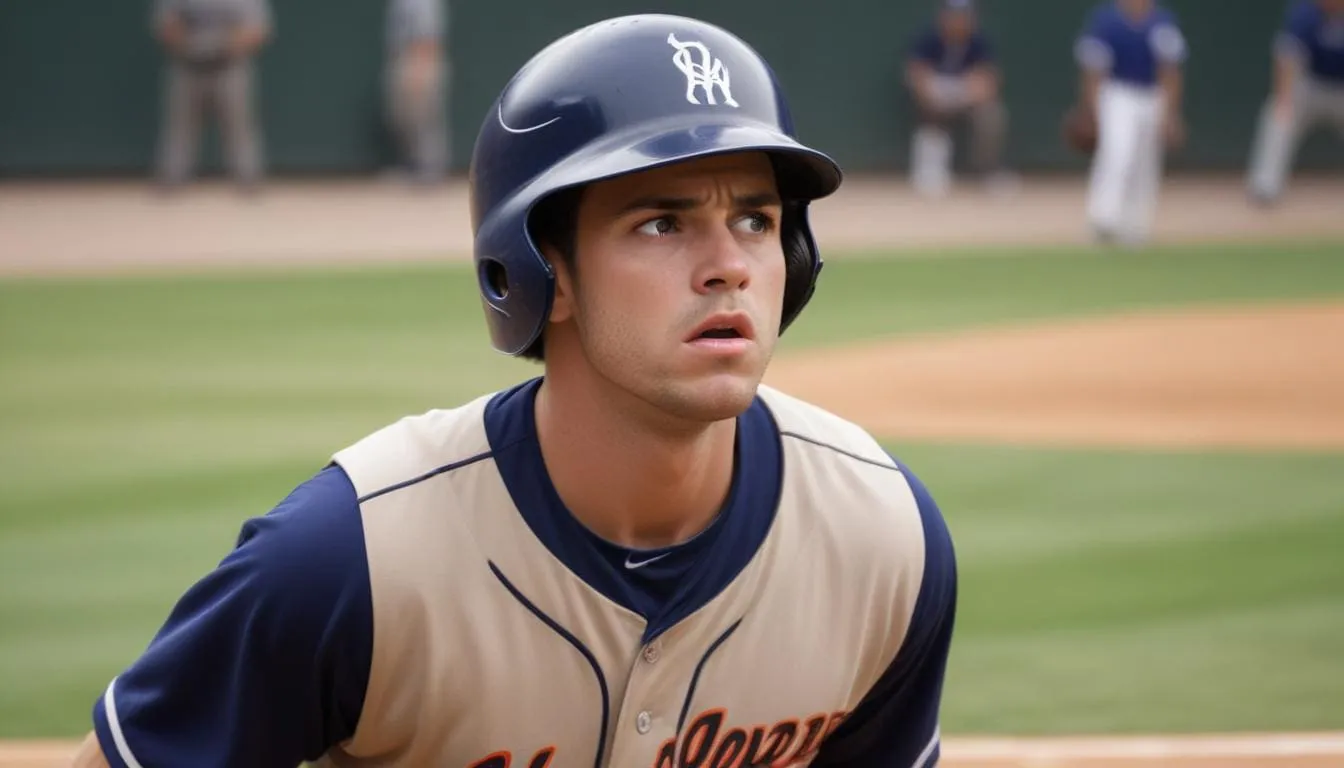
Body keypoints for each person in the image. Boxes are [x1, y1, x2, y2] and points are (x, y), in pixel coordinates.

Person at [68, 13, 957, 768]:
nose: (729, 266)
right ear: (543, 274)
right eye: (662, 222)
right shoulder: (352, 559)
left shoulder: (884, 540)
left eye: (756, 221)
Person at [1073, 0, 1188, 246]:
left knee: (1146, 161)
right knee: (1117, 151)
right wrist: (1090, 111)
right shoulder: (1106, 20)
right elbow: (1093, 69)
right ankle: (1103, 217)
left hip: (1152, 95)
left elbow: (1171, 71)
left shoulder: (1161, 21)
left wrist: (1171, 113)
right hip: (1117, 93)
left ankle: (1136, 225)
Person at [151, 0, 272, 194]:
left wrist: (223, 49)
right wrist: (190, 48)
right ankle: (171, 179)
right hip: (188, 65)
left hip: (230, 66)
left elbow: (257, 29)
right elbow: (166, 25)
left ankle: (249, 181)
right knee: (180, 127)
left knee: (239, 128)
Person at [904, 0, 1015, 197]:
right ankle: (931, 172)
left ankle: (988, 172)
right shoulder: (928, 39)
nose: (958, 21)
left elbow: (989, 80)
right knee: (929, 109)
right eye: (954, 16)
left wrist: (965, 94)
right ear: (943, 17)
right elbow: (916, 74)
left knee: (991, 115)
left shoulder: (979, 42)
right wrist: (935, 93)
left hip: (967, 97)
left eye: (963, 16)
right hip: (936, 97)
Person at [1246, 0, 1344, 206]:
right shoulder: (1305, 12)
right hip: (1310, 84)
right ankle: (1265, 188)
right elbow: (1287, 56)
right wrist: (1284, 99)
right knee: (1277, 116)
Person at [384, 0, 450, 184]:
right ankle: (413, 169)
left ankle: (429, 172)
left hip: (419, 60)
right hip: (405, 58)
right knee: (407, 118)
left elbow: (428, 38)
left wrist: (420, 68)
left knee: (425, 119)